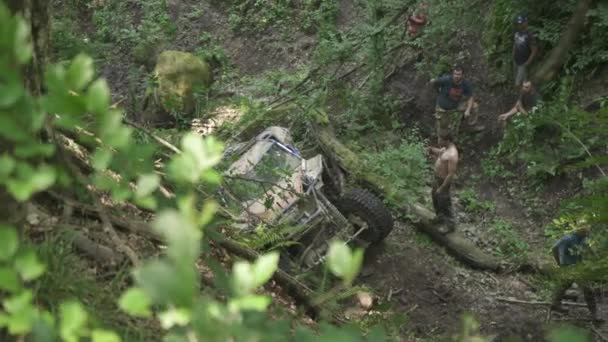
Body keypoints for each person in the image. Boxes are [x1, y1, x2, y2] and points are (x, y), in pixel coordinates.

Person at [550, 228, 599, 321]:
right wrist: (559, 262)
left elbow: (588, 247)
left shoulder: (583, 238)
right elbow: (554, 248)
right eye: (585, 231)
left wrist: (596, 258)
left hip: (577, 266)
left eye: (588, 231)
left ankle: (555, 304)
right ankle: (594, 314)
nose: (587, 233)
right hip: (568, 266)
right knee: (587, 288)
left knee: (565, 285)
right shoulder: (567, 238)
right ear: (579, 230)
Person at [430, 67, 482, 143]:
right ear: (453, 74)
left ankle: (471, 125)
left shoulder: (465, 83)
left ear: (462, 75)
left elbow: (470, 97)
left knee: (474, 106)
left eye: (459, 74)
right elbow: (433, 81)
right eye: (455, 74)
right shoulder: (446, 80)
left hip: (456, 104)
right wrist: (437, 90)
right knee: (443, 130)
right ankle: (442, 142)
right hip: (443, 108)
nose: (457, 76)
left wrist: (467, 110)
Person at [427, 131, 459, 234]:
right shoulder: (445, 148)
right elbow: (440, 152)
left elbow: (451, 174)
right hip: (437, 179)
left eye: (441, 139)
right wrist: (431, 150)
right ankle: (439, 217)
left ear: (447, 140)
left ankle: (450, 225)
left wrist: (443, 187)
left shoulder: (452, 154)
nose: (439, 141)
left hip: (443, 181)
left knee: (444, 202)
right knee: (435, 198)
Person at [512, 14, 537, 87]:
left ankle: (521, 98)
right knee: (518, 82)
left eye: (521, 23)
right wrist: (513, 55)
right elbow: (515, 44)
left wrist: (527, 63)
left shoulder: (529, 35)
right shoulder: (517, 33)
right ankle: (520, 97)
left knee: (520, 83)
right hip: (516, 61)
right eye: (518, 23)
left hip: (523, 63)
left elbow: (534, 50)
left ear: (525, 23)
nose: (519, 25)